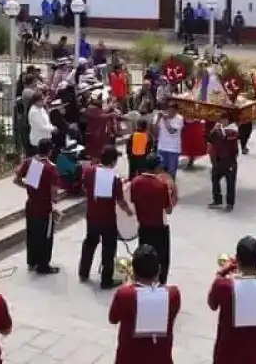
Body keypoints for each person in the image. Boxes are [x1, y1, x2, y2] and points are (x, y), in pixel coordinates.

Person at [208, 236, 256, 364]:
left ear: (237, 259)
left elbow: (212, 304)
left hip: (227, 354)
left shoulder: (223, 285)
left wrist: (219, 275)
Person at [108, 245, 181, 364]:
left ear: (134, 270)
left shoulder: (125, 294)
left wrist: (129, 285)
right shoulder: (173, 294)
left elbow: (113, 319)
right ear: (159, 269)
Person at [79, 145, 134, 289]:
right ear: (113, 161)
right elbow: (120, 201)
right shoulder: (115, 179)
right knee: (109, 248)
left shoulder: (89, 171)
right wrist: (129, 212)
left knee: (89, 243)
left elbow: (85, 187)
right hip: (108, 219)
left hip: (92, 216)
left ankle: (83, 273)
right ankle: (106, 280)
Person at [13, 138, 61, 275]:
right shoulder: (50, 167)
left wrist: (28, 187)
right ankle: (43, 265)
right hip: (44, 207)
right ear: (50, 151)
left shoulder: (30, 162)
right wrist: (55, 200)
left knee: (32, 233)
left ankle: (32, 261)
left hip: (31, 203)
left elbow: (17, 180)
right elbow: (53, 191)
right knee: (45, 236)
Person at [130, 160, 174, 284]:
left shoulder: (135, 182)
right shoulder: (162, 184)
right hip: (159, 227)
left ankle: (142, 280)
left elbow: (134, 202)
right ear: (157, 168)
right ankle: (161, 281)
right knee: (162, 257)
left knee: (143, 255)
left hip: (143, 226)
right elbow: (169, 210)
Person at [208, 119, 239, 212]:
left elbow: (227, 138)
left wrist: (220, 130)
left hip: (230, 161)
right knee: (215, 179)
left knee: (230, 183)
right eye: (221, 120)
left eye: (224, 119)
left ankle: (230, 203)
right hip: (218, 160)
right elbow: (210, 140)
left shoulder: (234, 129)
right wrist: (213, 130)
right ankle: (217, 200)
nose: (222, 121)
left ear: (228, 120)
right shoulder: (218, 129)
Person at [155, 102, 184, 178]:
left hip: (173, 149)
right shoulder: (161, 117)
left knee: (171, 172)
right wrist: (158, 119)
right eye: (168, 110)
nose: (170, 113)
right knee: (160, 171)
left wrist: (165, 119)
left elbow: (171, 131)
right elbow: (154, 132)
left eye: (172, 111)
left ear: (176, 111)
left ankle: (171, 188)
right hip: (161, 147)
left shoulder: (179, 118)